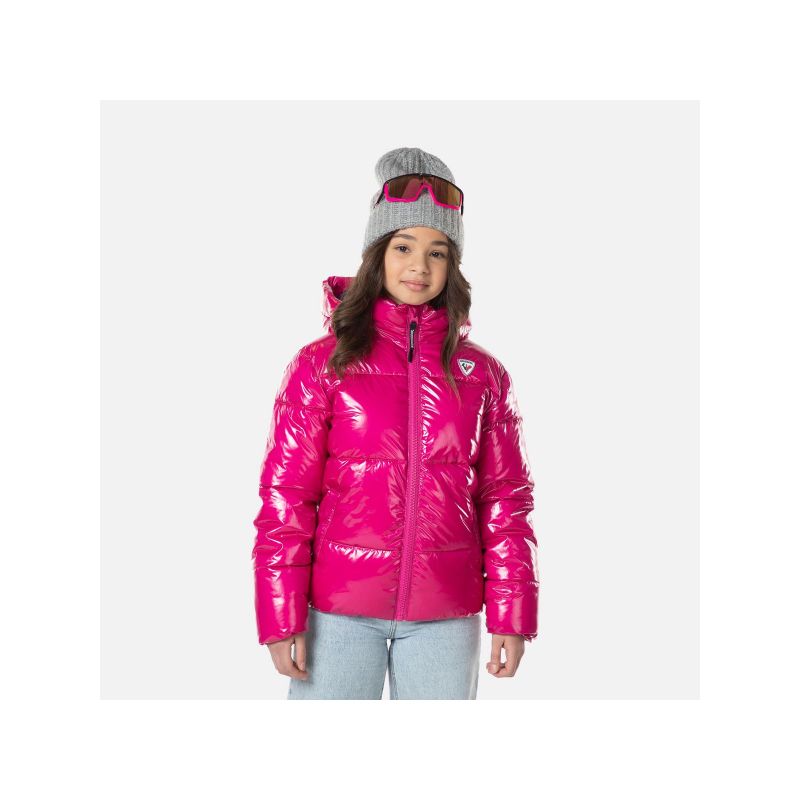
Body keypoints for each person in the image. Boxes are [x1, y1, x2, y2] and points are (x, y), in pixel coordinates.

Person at [251, 147, 539, 700]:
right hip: (337, 614)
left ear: (453, 266)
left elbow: (506, 499)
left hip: (444, 616)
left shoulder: (483, 374)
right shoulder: (322, 364)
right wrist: (280, 613)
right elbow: (287, 497)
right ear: (376, 253)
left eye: (438, 253)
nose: (419, 267)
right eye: (403, 247)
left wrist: (512, 612)